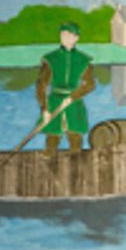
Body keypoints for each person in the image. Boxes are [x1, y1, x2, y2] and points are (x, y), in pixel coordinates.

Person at [35, 22, 95, 155]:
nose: (64, 37)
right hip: (54, 101)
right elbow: (41, 85)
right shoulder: (51, 59)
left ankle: (76, 166)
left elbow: (90, 85)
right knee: (52, 138)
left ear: (76, 38)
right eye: (62, 34)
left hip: (74, 103)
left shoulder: (83, 59)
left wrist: (72, 97)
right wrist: (44, 109)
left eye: (68, 34)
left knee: (75, 139)